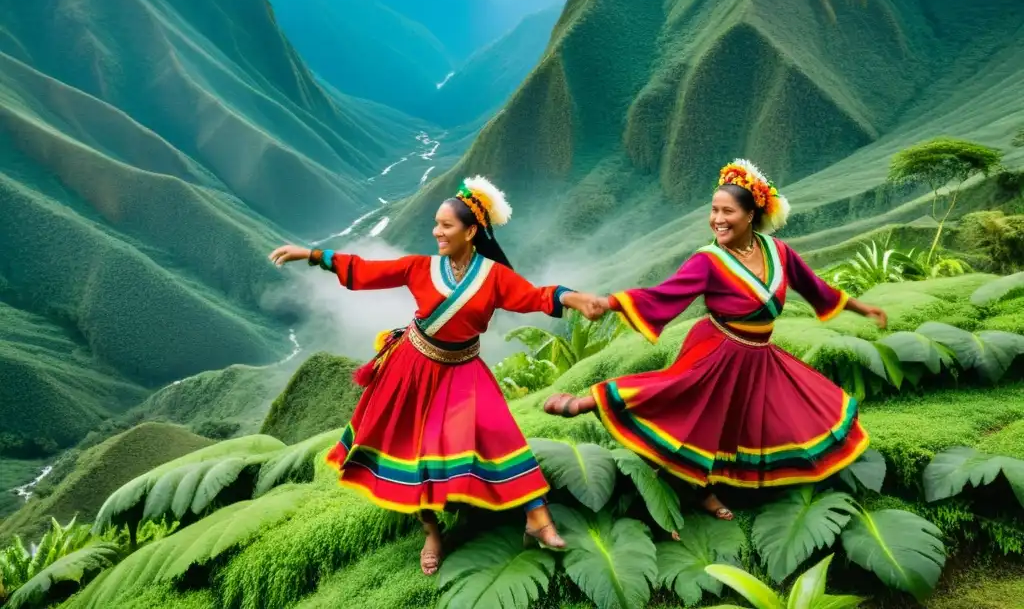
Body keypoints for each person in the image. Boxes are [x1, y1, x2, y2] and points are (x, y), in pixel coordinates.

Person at [269, 175, 601, 575]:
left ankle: (537, 517)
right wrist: (310, 254)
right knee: (416, 450)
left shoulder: (494, 277)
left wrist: (576, 298)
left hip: (463, 370)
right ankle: (431, 530)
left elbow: (537, 296)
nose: (436, 232)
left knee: (500, 434)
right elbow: (366, 271)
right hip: (411, 368)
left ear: (471, 231)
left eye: (446, 225)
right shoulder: (420, 268)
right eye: (436, 223)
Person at [542, 159, 887, 527]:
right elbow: (663, 294)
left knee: (768, 417)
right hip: (719, 348)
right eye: (714, 210)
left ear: (752, 214)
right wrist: (609, 302)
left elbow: (815, 288)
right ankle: (590, 402)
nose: (717, 219)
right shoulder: (708, 261)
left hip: (760, 355)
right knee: (690, 406)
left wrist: (860, 307)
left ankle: (733, 482)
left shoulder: (778, 252)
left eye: (728, 211)